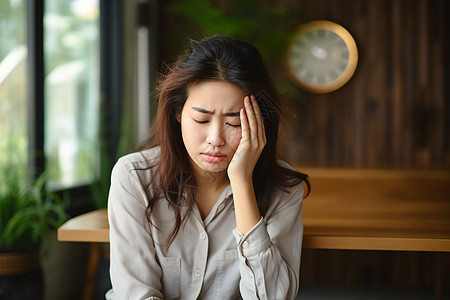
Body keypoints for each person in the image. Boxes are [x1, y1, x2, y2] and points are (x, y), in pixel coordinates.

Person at [106, 34, 310, 300]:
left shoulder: (283, 190)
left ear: (258, 122)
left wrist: (241, 181)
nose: (216, 139)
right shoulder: (134, 177)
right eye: (202, 119)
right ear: (178, 113)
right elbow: (136, 293)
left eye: (234, 123)